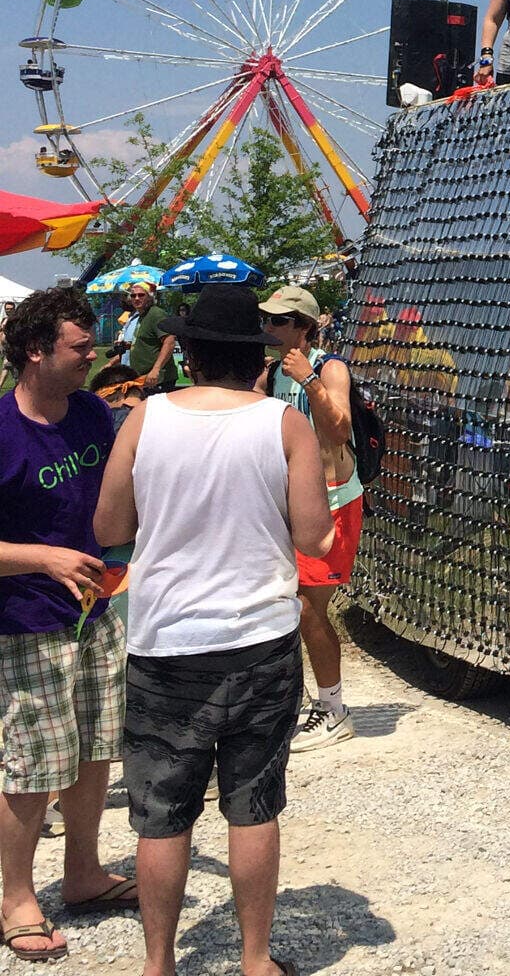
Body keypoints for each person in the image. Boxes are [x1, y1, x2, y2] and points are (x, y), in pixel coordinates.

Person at [94, 283, 332, 976]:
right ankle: (255, 960)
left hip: (166, 640)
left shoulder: (146, 419)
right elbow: (316, 537)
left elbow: (110, 528)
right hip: (259, 638)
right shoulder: (282, 426)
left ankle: (159, 964)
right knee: (252, 804)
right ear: (253, 360)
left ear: (190, 354)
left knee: (163, 813)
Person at [1, 287, 131, 964]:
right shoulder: (0, 432)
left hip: (97, 612)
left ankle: (83, 873)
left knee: (94, 748)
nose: (94, 356)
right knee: (31, 763)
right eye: (81, 347)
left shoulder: (89, 412)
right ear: (35, 351)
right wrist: (40, 558)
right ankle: (17, 897)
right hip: (25, 624)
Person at [256, 285, 361, 754]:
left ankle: (334, 710)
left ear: (303, 327)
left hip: (333, 499)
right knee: (284, 601)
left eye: (278, 321)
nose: (268, 328)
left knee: (306, 605)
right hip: (292, 500)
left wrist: (309, 381)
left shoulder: (328, 367)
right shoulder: (273, 370)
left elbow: (339, 430)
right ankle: (299, 698)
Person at [123, 285, 178, 394]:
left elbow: (169, 341)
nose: (136, 298)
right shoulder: (141, 315)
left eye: (141, 295)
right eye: (133, 295)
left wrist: (156, 369)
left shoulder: (156, 314)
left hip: (158, 379)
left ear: (150, 297)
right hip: (143, 379)